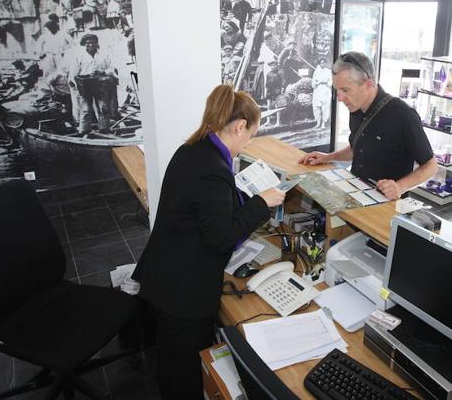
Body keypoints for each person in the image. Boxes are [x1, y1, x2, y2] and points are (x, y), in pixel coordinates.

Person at [132, 85, 285, 400]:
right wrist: (260, 203)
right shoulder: (212, 169)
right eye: (250, 136)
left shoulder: (195, 149)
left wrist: (243, 199)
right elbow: (221, 238)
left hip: (166, 275)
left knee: (173, 366)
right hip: (183, 292)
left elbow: (209, 205)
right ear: (239, 127)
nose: (247, 144)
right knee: (185, 376)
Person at [299, 51, 437, 199]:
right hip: (355, 194)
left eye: (345, 90)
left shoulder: (403, 115)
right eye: (336, 90)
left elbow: (431, 166)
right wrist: (327, 157)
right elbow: (357, 149)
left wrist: (400, 186)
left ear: (368, 84)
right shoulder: (355, 107)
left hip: (387, 206)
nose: (339, 98)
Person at [68, 34, 116, 135]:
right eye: (87, 43)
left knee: (103, 109)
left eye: (93, 42)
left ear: (97, 43)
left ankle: (104, 130)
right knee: (85, 110)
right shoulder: (79, 56)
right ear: (84, 45)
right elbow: (73, 74)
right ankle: (84, 131)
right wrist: (78, 87)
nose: (90, 45)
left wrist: (102, 72)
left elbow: (112, 69)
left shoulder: (103, 55)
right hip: (85, 87)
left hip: (100, 86)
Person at [311, 57, 332, 128]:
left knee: (325, 106)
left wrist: (326, 82)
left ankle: (323, 123)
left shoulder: (328, 71)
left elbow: (330, 81)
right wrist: (316, 83)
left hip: (325, 89)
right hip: (318, 89)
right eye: (321, 62)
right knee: (316, 106)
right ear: (319, 63)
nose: (322, 64)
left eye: (324, 62)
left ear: (326, 63)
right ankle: (318, 122)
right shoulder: (316, 71)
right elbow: (313, 81)